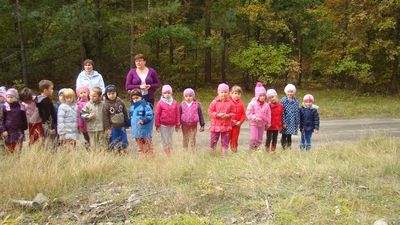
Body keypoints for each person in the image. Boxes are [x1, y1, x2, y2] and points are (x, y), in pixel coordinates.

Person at [208, 83, 235, 155]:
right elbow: (210, 112)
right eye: (222, 92)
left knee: (225, 140)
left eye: (225, 92)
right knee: (213, 139)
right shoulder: (214, 102)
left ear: (228, 93)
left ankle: (224, 154)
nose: (223, 94)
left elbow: (233, 113)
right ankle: (212, 153)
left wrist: (228, 115)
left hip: (226, 125)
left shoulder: (231, 103)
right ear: (218, 92)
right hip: (215, 125)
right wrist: (217, 115)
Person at [103, 84, 130, 153]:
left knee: (124, 140)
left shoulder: (120, 101)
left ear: (116, 93)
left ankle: (125, 151)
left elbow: (125, 112)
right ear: (106, 95)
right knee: (114, 140)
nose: (111, 95)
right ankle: (116, 153)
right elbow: (105, 117)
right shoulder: (106, 104)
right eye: (109, 94)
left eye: (113, 93)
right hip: (113, 127)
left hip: (122, 126)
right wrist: (107, 128)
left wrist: (127, 122)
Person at [0, 88, 28, 153]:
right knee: (10, 148)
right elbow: (1, 120)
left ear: (16, 97)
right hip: (8, 131)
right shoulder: (5, 107)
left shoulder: (21, 107)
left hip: (19, 131)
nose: (9, 98)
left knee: (18, 148)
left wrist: (24, 127)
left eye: (11, 97)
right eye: (8, 97)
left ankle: (17, 159)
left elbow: (24, 118)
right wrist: (3, 130)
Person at [155, 85, 180, 155]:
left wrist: (178, 124)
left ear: (171, 93)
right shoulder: (160, 103)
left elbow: (177, 114)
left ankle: (170, 151)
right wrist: (157, 125)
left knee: (170, 139)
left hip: (172, 125)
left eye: (169, 93)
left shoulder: (174, 102)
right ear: (162, 94)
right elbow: (157, 114)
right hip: (163, 125)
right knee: (164, 139)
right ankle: (166, 152)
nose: (167, 94)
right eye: (165, 93)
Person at [129, 89, 154, 157]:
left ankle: (151, 158)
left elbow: (150, 115)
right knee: (139, 146)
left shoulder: (145, 105)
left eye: (137, 97)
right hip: (136, 132)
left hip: (145, 131)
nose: (135, 99)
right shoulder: (132, 107)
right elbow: (131, 118)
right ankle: (142, 158)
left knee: (148, 146)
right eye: (133, 98)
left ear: (141, 97)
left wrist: (144, 120)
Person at [246, 82, 271, 150]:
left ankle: (257, 148)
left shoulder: (266, 105)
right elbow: (248, 113)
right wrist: (254, 117)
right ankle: (252, 147)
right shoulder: (252, 103)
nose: (262, 97)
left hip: (262, 124)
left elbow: (268, 114)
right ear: (257, 96)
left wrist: (268, 123)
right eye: (260, 96)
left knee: (260, 138)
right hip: (254, 123)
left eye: (264, 96)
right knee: (254, 137)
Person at [280, 84, 300, 149]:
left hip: (292, 121)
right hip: (285, 120)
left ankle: (289, 147)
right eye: (288, 92)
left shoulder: (295, 101)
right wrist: (283, 122)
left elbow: (297, 112)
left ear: (294, 92)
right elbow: (282, 112)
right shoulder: (283, 100)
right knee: (284, 134)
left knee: (289, 135)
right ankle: (284, 147)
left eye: (291, 91)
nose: (290, 93)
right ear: (286, 92)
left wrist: (297, 122)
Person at [228, 85, 246, 152]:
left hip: (237, 125)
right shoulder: (228, 102)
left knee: (235, 139)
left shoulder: (241, 104)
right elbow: (226, 113)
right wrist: (231, 121)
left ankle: (234, 151)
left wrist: (240, 122)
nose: (237, 95)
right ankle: (224, 151)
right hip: (228, 125)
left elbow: (243, 115)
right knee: (227, 138)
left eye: (238, 94)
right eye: (235, 93)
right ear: (231, 93)